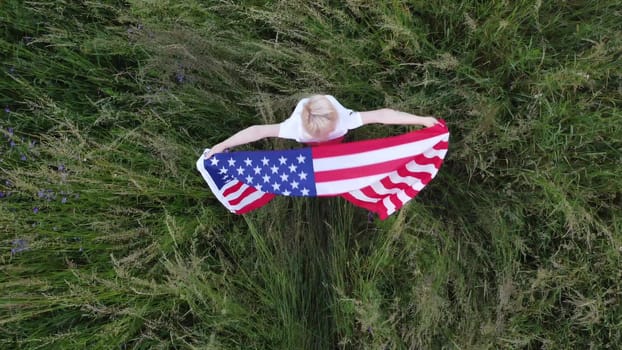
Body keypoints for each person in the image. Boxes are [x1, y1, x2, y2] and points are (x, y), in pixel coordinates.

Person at [203, 94, 439, 159]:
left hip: (338, 144)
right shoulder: (296, 128)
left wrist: (420, 120)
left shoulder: (343, 117)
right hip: (312, 150)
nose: (326, 135)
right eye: (321, 134)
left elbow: (382, 115)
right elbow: (257, 130)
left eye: (329, 131)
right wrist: (223, 145)